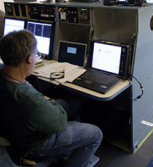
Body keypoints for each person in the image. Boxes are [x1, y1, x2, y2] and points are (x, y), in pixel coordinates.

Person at [0, 30, 103, 167]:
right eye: (36, 54)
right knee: (95, 134)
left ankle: (66, 153)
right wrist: (49, 101)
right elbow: (59, 122)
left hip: (14, 128)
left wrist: (46, 101)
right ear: (30, 59)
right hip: (34, 144)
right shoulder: (28, 99)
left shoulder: (6, 76)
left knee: (73, 104)